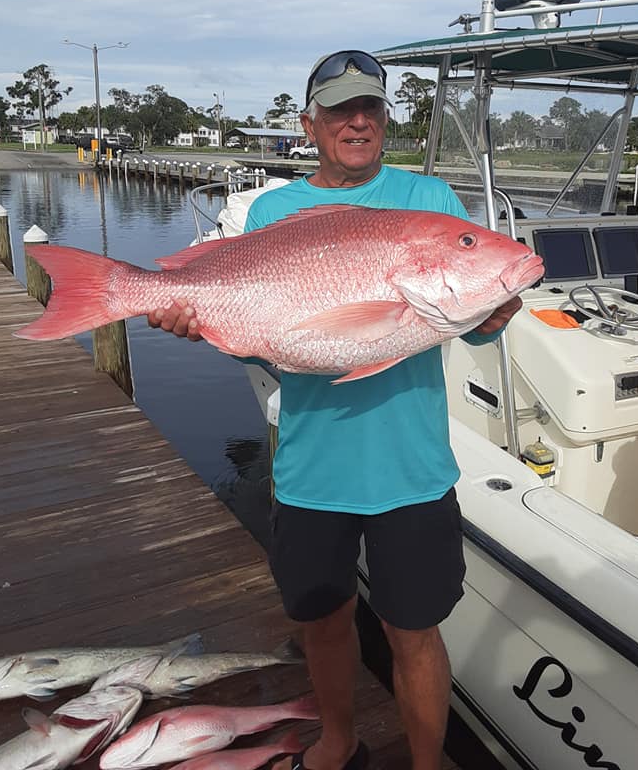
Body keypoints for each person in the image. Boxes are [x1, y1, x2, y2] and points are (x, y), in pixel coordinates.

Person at [149, 50, 521, 770]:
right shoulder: (273, 209)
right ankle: (338, 740)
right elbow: (262, 343)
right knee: (322, 621)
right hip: (313, 466)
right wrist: (198, 318)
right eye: (341, 109)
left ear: (386, 119)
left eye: (371, 108)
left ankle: (424, 764)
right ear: (309, 123)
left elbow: (467, 315)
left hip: (412, 470)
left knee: (415, 630)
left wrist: (493, 310)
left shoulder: (431, 199)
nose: (358, 121)